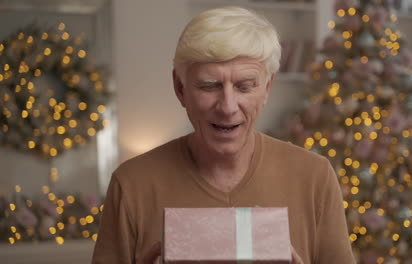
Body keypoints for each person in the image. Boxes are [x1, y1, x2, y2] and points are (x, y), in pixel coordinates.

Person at [92, 6, 355, 264]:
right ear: (180, 88)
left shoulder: (314, 177)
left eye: (244, 87)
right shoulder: (132, 185)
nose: (227, 107)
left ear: (267, 88)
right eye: (209, 86)